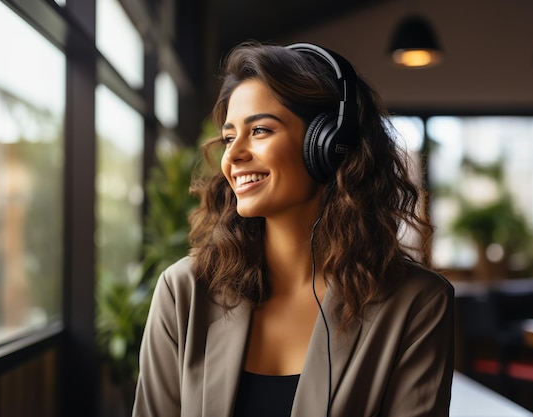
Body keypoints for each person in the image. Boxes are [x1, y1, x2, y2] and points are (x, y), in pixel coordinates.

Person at [132, 41, 455, 417]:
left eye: (261, 131)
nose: (232, 157)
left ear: (329, 144)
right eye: (229, 137)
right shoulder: (183, 292)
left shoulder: (417, 304)